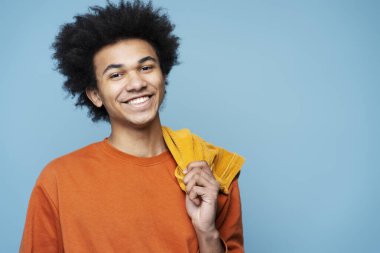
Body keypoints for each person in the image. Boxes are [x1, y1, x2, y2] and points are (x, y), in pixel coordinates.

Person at [20, 1, 245, 252]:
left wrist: (207, 233)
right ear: (95, 94)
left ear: (163, 76)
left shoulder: (210, 172)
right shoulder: (58, 180)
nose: (136, 83)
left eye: (146, 67)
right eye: (116, 74)